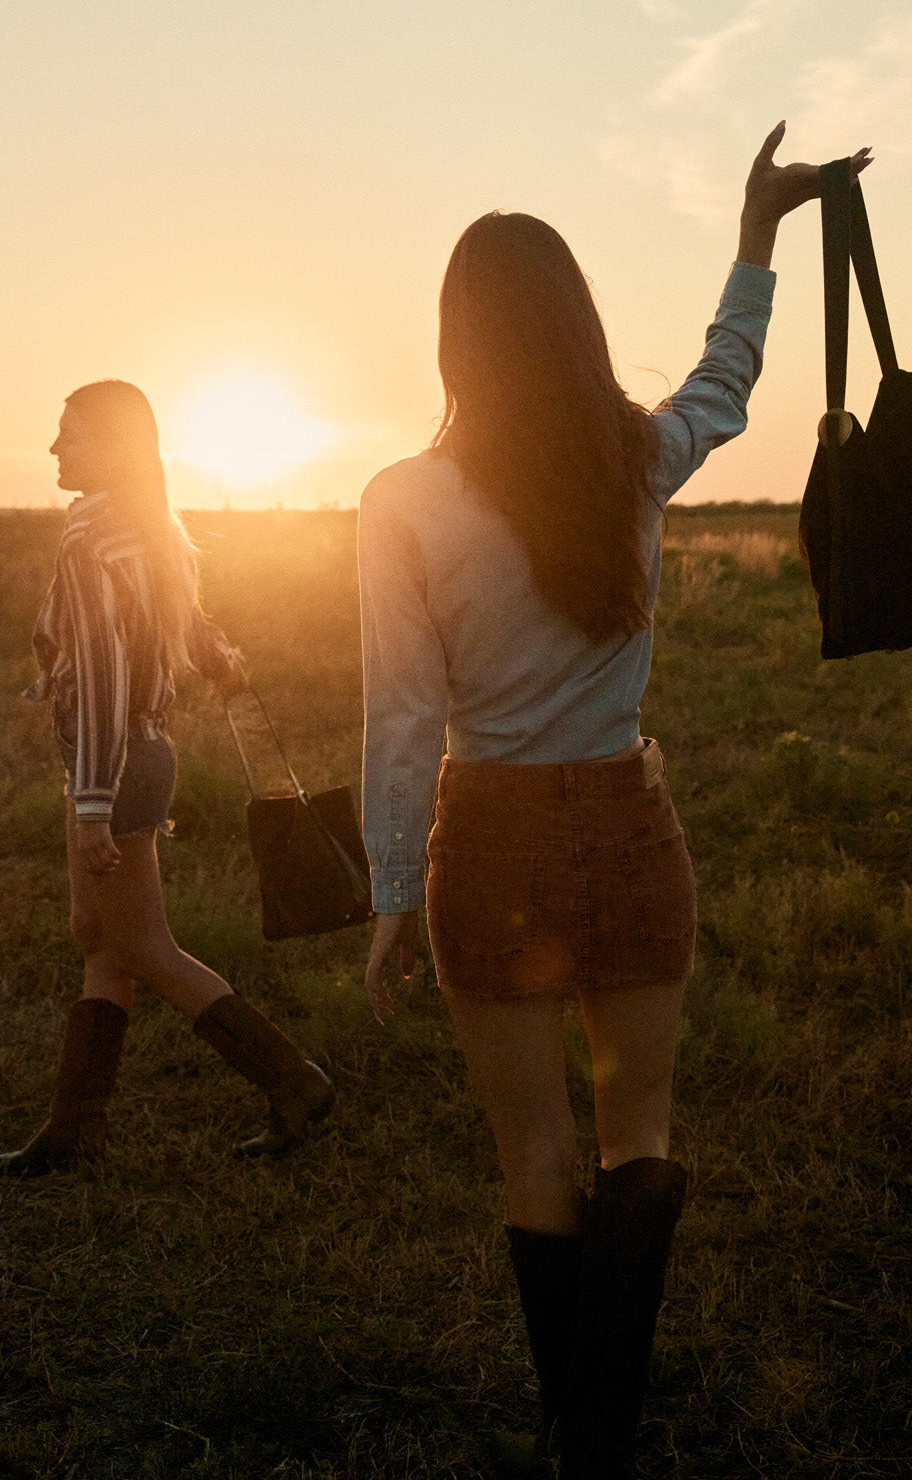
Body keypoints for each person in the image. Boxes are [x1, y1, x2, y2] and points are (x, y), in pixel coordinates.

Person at [359, 127, 872, 1478]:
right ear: (577, 324)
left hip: (492, 837)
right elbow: (729, 380)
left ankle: (578, 1431)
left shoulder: (403, 500)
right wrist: (758, 238)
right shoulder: (634, 457)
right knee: (637, 1131)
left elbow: (405, 719)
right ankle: (601, 1432)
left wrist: (391, 894)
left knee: (540, 1159)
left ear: (453, 339)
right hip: (632, 828)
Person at [0, 379, 333, 1177]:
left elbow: (103, 679)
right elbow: (185, 620)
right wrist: (219, 659)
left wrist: (94, 802)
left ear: (108, 445)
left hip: (115, 762)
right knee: (99, 937)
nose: (54, 446)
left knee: (145, 946)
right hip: (138, 755)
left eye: (68, 431)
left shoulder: (91, 544)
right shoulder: (145, 531)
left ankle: (295, 1081)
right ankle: (72, 1133)